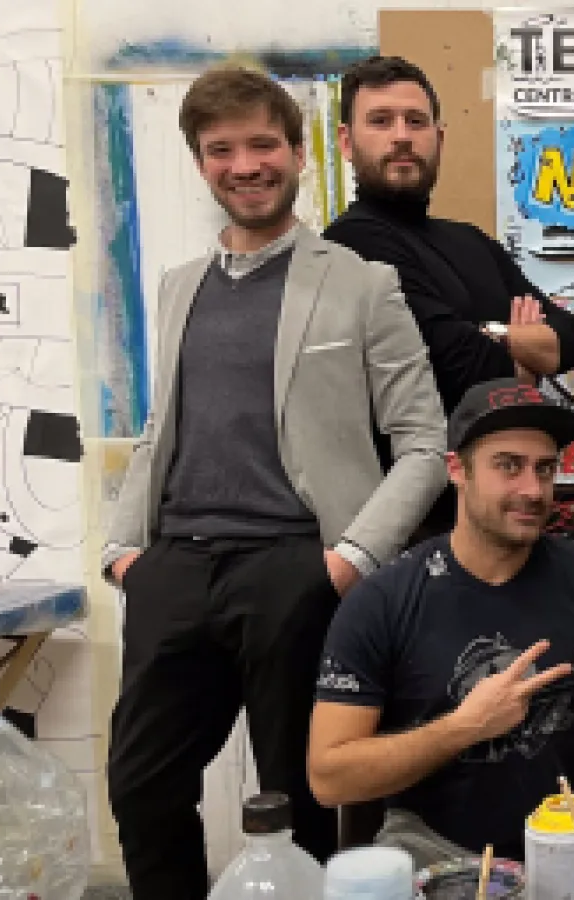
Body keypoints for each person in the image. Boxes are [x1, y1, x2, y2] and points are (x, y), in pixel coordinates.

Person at [101, 66, 448, 899]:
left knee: (301, 801)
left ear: (298, 153)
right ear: (201, 163)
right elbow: (159, 429)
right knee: (141, 787)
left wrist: (350, 560)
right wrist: (122, 550)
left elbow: (425, 441)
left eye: (263, 144)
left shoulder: (362, 282)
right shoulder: (178, 287)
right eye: (221, 150)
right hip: (174, 569)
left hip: (296, 568)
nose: (245, 165)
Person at [307, 378, 574, 876]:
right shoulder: (383, 601)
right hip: (432, 851)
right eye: (508, 466)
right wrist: (466, 726)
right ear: (456, 470)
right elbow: (329, 777)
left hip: (567, 843)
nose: (532, 490)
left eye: (544, 468)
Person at [324, 55, 574, 542]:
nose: (401, 136)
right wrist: (523, 355)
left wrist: (492, 336)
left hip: (505, 522)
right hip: (410, 529)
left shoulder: (470, 242)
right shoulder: (351, 243)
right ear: (346, 141)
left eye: (415, 121)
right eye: (380, 121)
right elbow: (462, 369)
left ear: (439, 138)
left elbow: (572, 339)